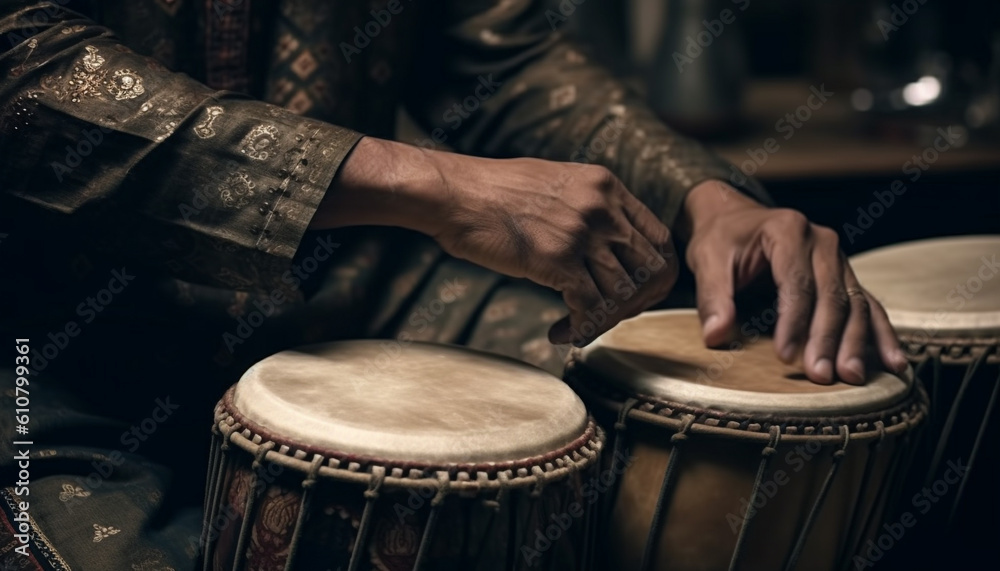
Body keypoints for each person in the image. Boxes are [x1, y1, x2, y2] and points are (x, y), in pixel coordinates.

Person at [0, 0, 907, 568]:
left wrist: (705, 196)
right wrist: (437, 184)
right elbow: (22, 71)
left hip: (344, 293)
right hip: (40, 348)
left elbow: (505, 57)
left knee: (674, 426)